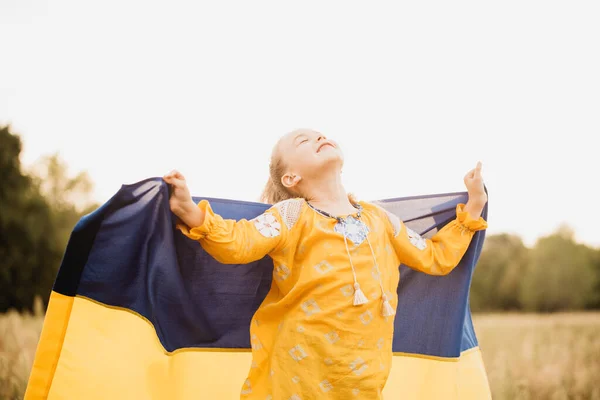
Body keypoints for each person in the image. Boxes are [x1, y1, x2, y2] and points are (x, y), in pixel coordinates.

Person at [163, 129, 488, 399]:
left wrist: (474, 206)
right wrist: (191, 212)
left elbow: (436, 258)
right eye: (303, 141)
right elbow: (238, 244)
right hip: (297, 380)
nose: (318, 138)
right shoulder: (290, 217)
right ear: (291, 177)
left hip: (362, 383)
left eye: (320, 135)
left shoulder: (382, 221)